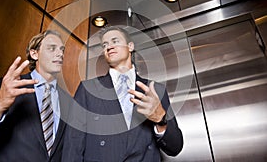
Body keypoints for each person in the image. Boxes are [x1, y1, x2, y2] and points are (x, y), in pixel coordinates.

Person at [62, 26, 183, 161]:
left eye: (115, 41)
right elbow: (73, 143)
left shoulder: (155, 90)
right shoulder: (88, 89)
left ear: (130, 46)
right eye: (105, 44)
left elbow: (175, 147)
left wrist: (161, 119)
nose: (109, 47)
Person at [0, 30, 71, 161]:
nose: (60, 54)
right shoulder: (5, 87)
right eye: (52, 48)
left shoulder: (70, 102)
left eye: (62, 49)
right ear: (34, 54)